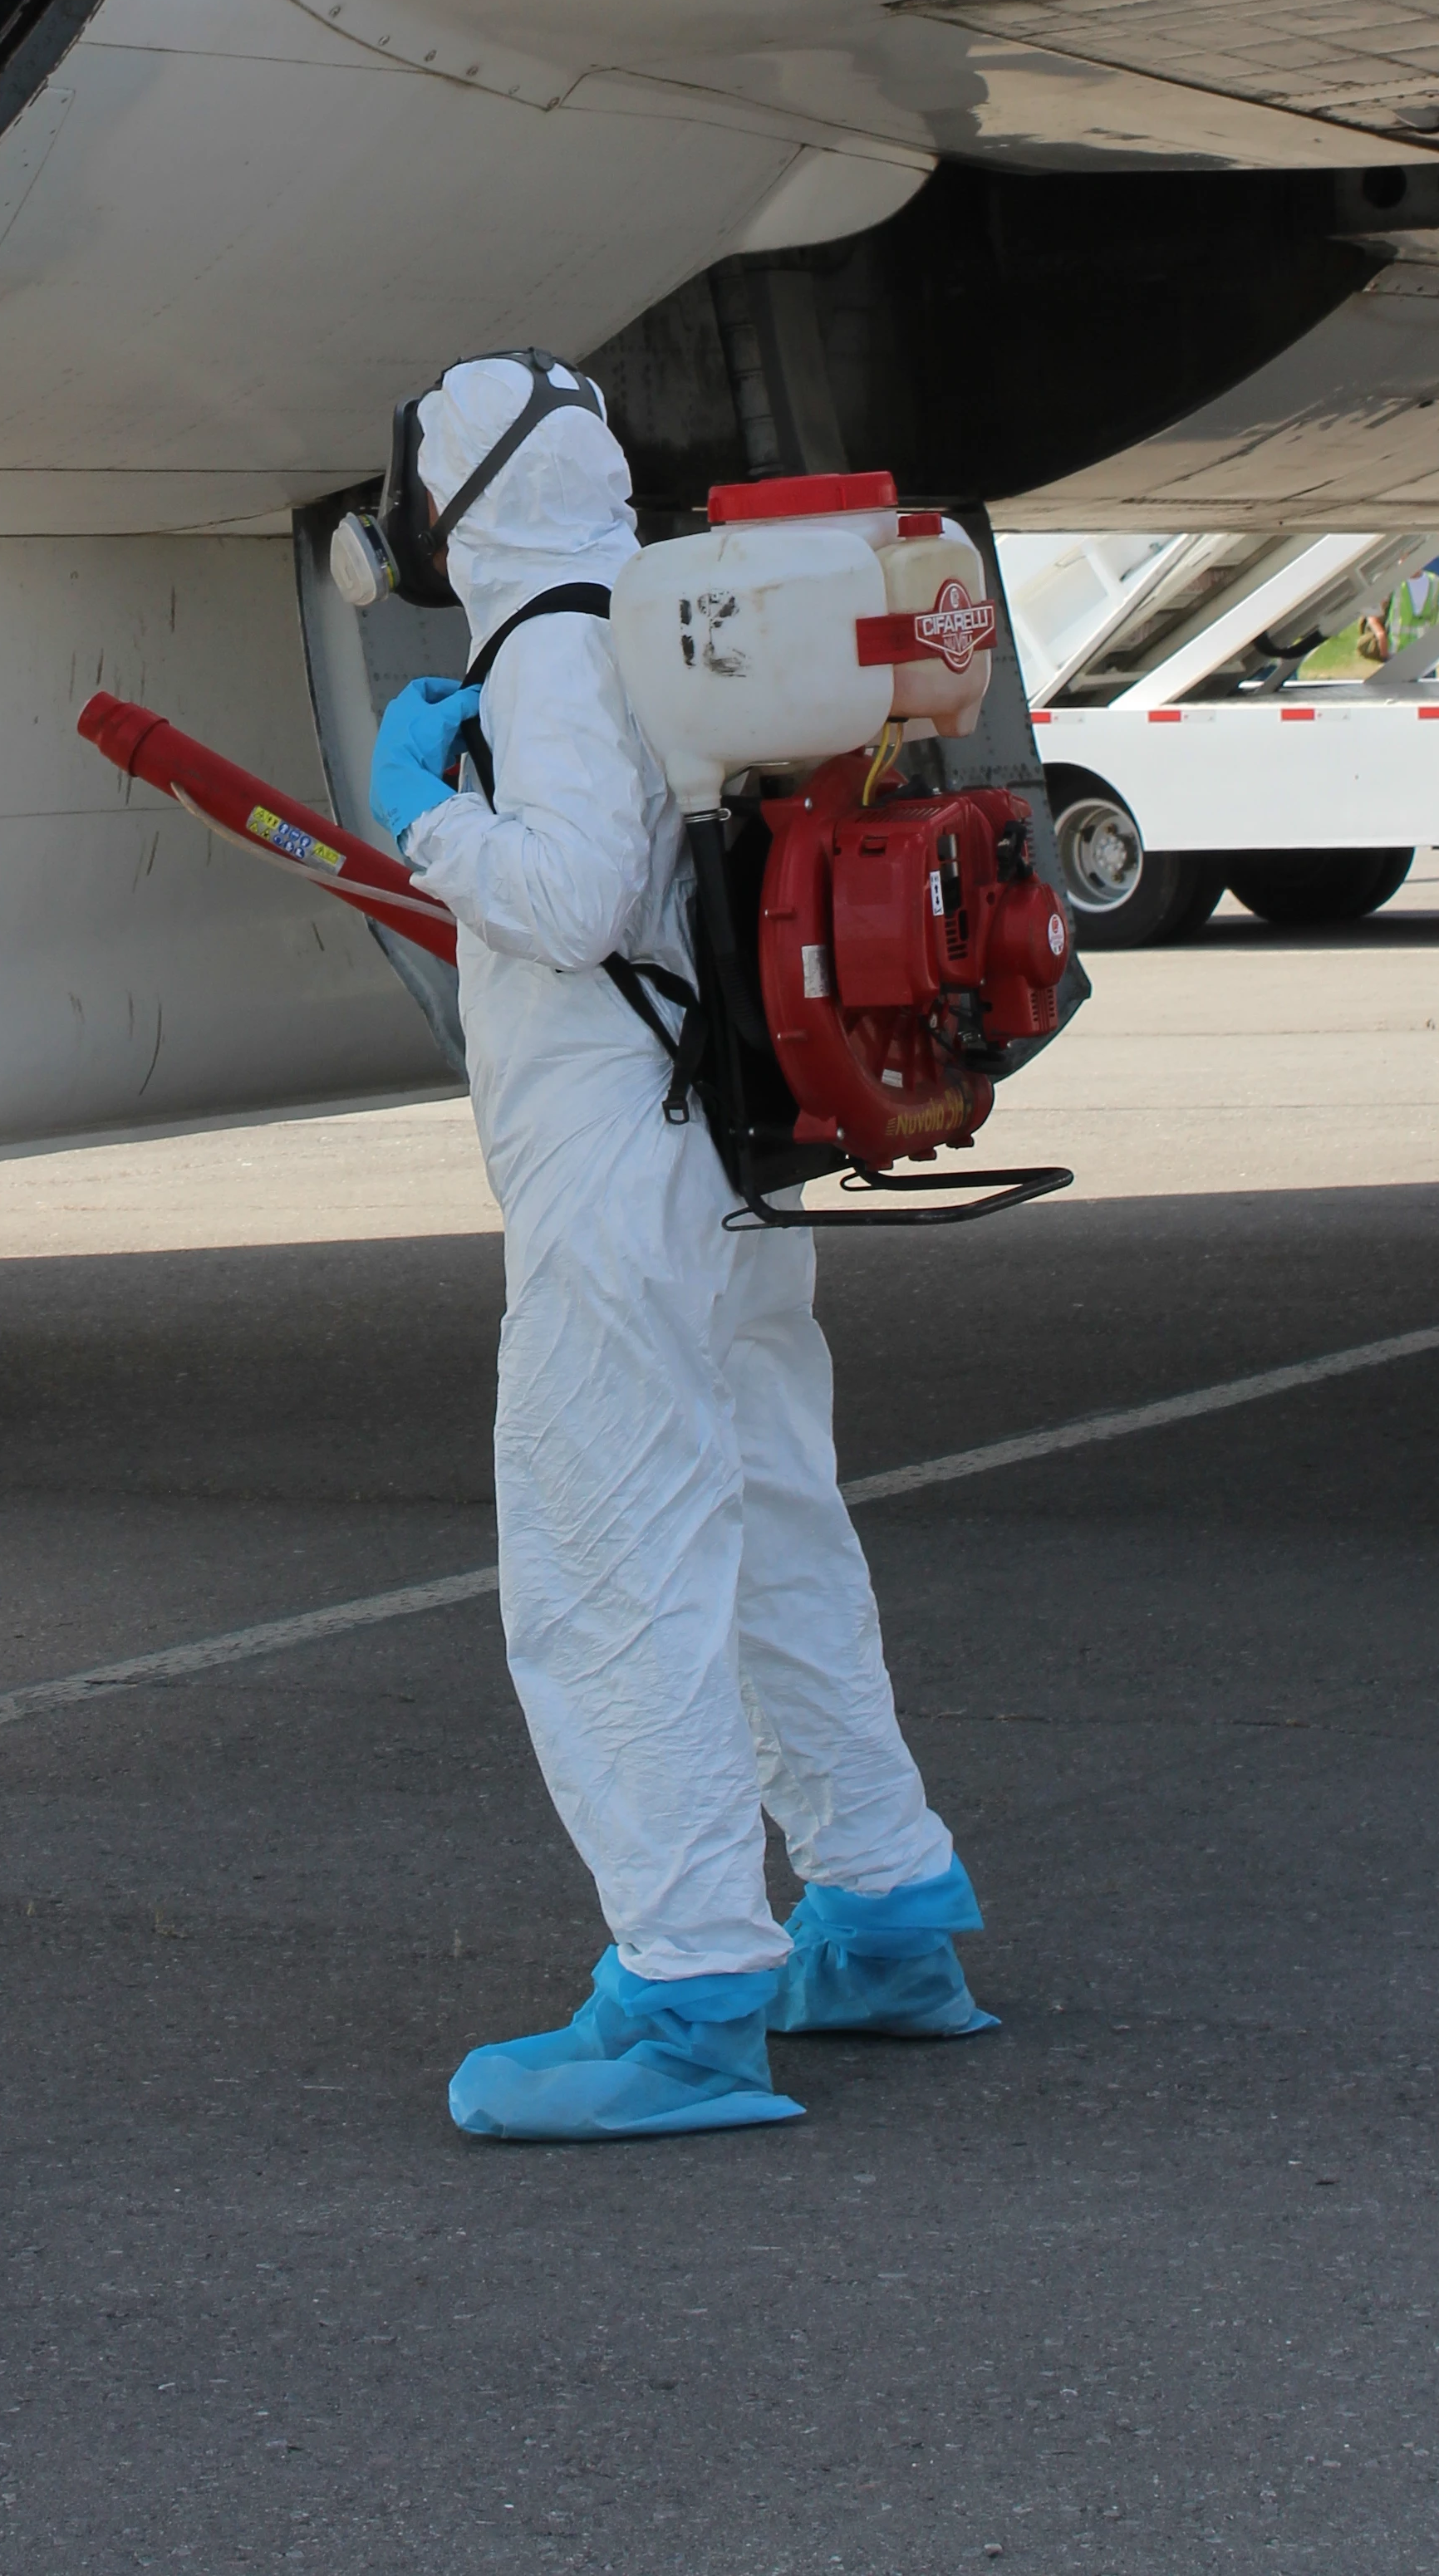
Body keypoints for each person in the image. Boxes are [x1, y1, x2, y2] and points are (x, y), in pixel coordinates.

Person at [366, 355, 993, 2144]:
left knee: (607, 1560)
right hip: (723, 1149)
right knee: (775, 1522)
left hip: (613, 1163)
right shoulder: (658, 616)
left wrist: (426, 811)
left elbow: (566, 898)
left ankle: (690, 1990)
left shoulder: (551, 646)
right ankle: (879, 1910)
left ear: (459, 503)